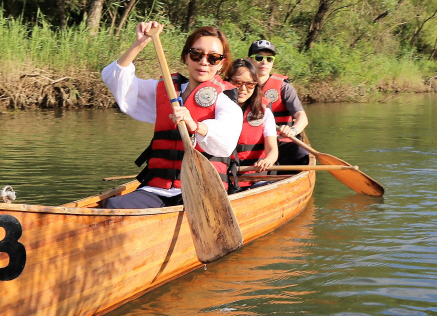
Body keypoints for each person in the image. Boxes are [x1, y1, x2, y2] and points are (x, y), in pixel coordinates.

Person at [100, 22, 240, 209]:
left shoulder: (225, 99)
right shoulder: (164, 91)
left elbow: (226, 140)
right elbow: (118, 82)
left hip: (203, 190)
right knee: (112, 206)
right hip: (158, 189)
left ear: (221, 64)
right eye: (196, 54)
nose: (204, 62)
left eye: (213, 58)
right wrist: (139, 44)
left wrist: (195, 124)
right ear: (186, 57)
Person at [247, 40, 309, 166]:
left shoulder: (284, 87)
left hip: (281, 141)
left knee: (300, 154)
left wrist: (292, 129)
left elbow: (302, 118)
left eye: (269, 59)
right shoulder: (240, 86)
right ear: (249, 60)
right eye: (259, 58)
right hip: (252, 144)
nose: (264, 62)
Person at [227, 58, 278, 189]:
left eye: (250, 84)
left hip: (255, 179)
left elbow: (272, 150)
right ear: (227, 81)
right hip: (224, 178)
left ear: (256, 86)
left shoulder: (264, 113)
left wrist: (267, 160)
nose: (243, 89)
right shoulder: (216, 110)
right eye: (237, 83)